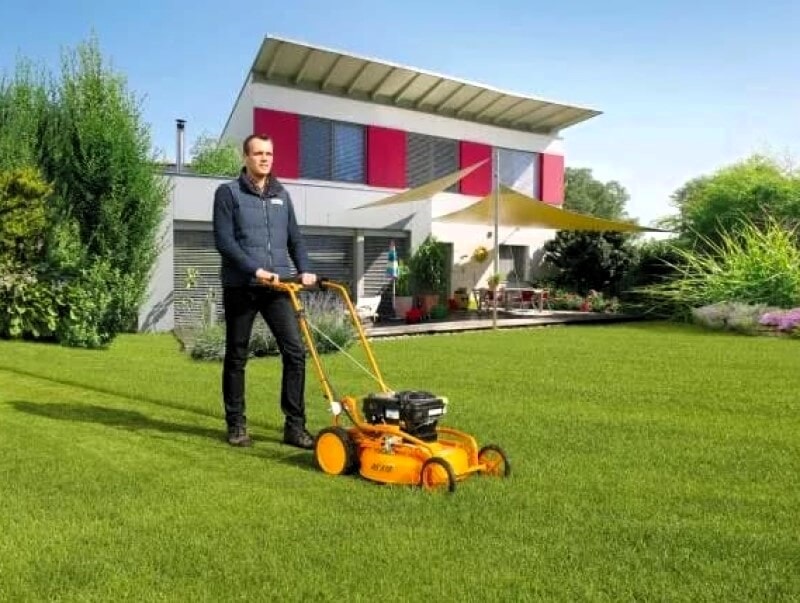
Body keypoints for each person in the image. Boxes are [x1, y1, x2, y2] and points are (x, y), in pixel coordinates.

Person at [212, 134, 317, 449]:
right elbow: (224, 242)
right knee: (237, 355)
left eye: (269, 153)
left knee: (295, 352)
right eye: (258, 153)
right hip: (242, 286)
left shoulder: (282, 195)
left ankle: (295, 427)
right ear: (245, 157)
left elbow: (295, 238)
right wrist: (255, 270)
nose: (264, 159)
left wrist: (304, 268)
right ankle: (236, 423)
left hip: (277, 287)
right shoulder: (228, 193)